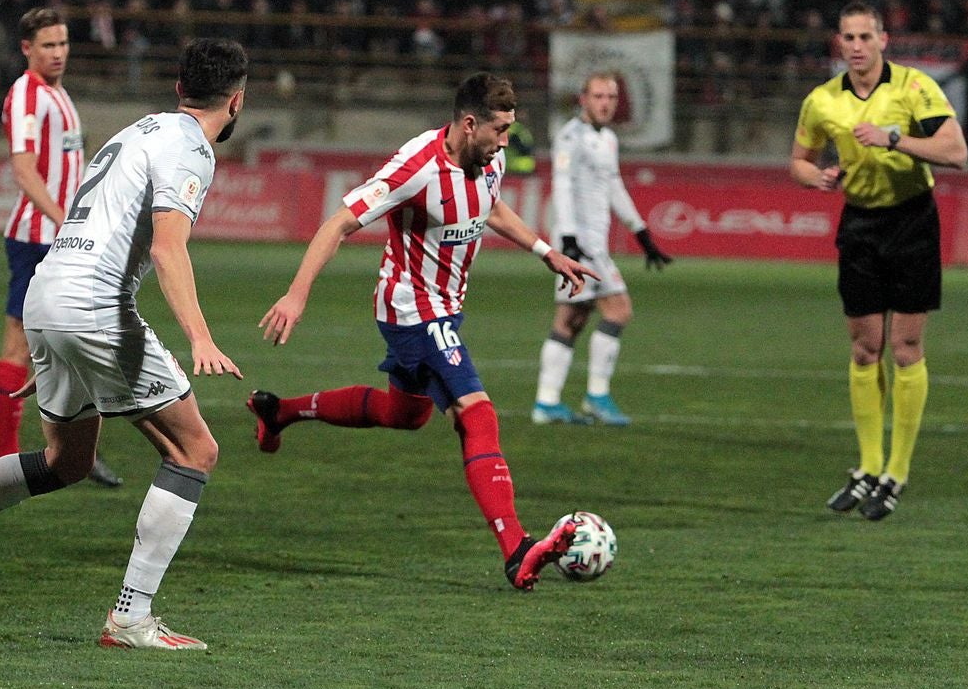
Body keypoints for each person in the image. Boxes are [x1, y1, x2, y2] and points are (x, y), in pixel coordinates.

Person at [0, 37, 248, 650]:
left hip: (51, 295)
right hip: (91, 305)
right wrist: (199, 337)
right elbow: (169, 246)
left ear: (178, 89)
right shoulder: (190, 148)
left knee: (66, 461)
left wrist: (60, 340)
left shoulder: (136, 132)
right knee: (194, 450)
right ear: (237, 100)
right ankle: (131, 617)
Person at [247, 73, 598, 592]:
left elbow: (493, 205)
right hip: (411, 307)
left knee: (404, 414)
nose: (507, 142)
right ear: (469, 122)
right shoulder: (415, 168)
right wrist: (297, 293)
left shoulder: (488, 157)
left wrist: (546, 253)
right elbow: (338, 222)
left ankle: (280, 411)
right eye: (499, 130)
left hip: (446, 308)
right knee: (476, 412)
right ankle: (517, 548)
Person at [791, 0, 968, 520]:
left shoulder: (914, 87)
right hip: (861, 224)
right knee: (866, 349)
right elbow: (798, 160)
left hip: (912, 220)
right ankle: (868, 466)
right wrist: (818, 178)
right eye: (849, 38)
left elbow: (956, 151)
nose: (858, 47)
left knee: (906, 348)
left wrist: (895, 138)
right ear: (839, 43)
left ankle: (897, 472)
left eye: (866, 37)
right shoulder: (822, 101)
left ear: (884, 40)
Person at [0, 7, 122, 488]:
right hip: (35, 239)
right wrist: (63, 219)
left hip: (65, 241)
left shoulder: (59, 94)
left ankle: (75, 452)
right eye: (48, 45)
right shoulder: (26, 94)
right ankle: (6, 458)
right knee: (19, 346)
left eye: (64, 44)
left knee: (77, 344)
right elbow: (24, 170)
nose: (59, 53)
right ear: (27, 48)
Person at [531, 72, 672, 427]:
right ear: (583, 98)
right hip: (581, 245)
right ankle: (596, 396)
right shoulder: (570, 137)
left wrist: (641, 232)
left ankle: (547, 403)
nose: (606, 103)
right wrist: (567, 241)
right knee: (619, 310)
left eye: (611, 96)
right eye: (598, 96)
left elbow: (613, 185)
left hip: (594, 243)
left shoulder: (607, 138)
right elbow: (561, 186)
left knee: (571, 319)